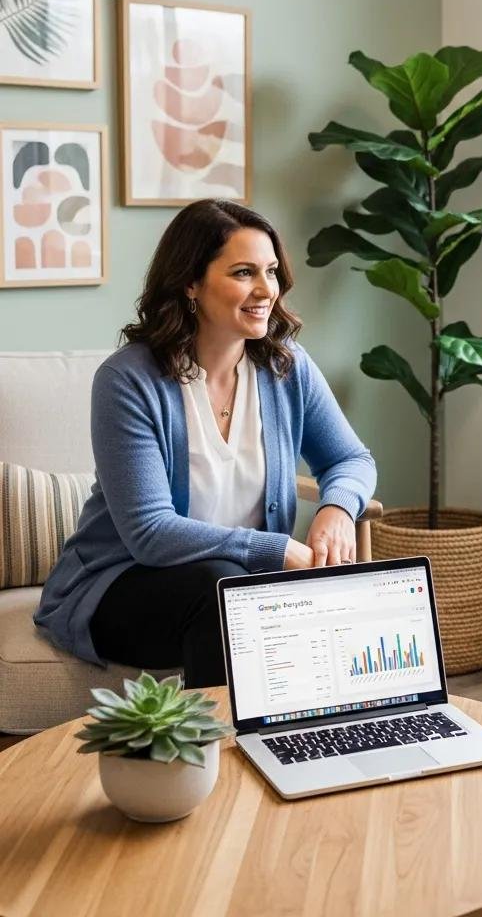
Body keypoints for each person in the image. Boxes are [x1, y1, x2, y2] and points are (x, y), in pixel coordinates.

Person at [35, 199, 377, 689]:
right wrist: (277, 550)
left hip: (245, 585)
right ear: (190, 283)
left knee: (245, 593)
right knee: (222, 587)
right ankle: (219, 736)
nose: (266, 289)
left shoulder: (286, 367)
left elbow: (351, 458)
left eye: (271, 271)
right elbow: (151, 532)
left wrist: (338, 508)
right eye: (243, 272)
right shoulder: (128, 381)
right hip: (120, 584)